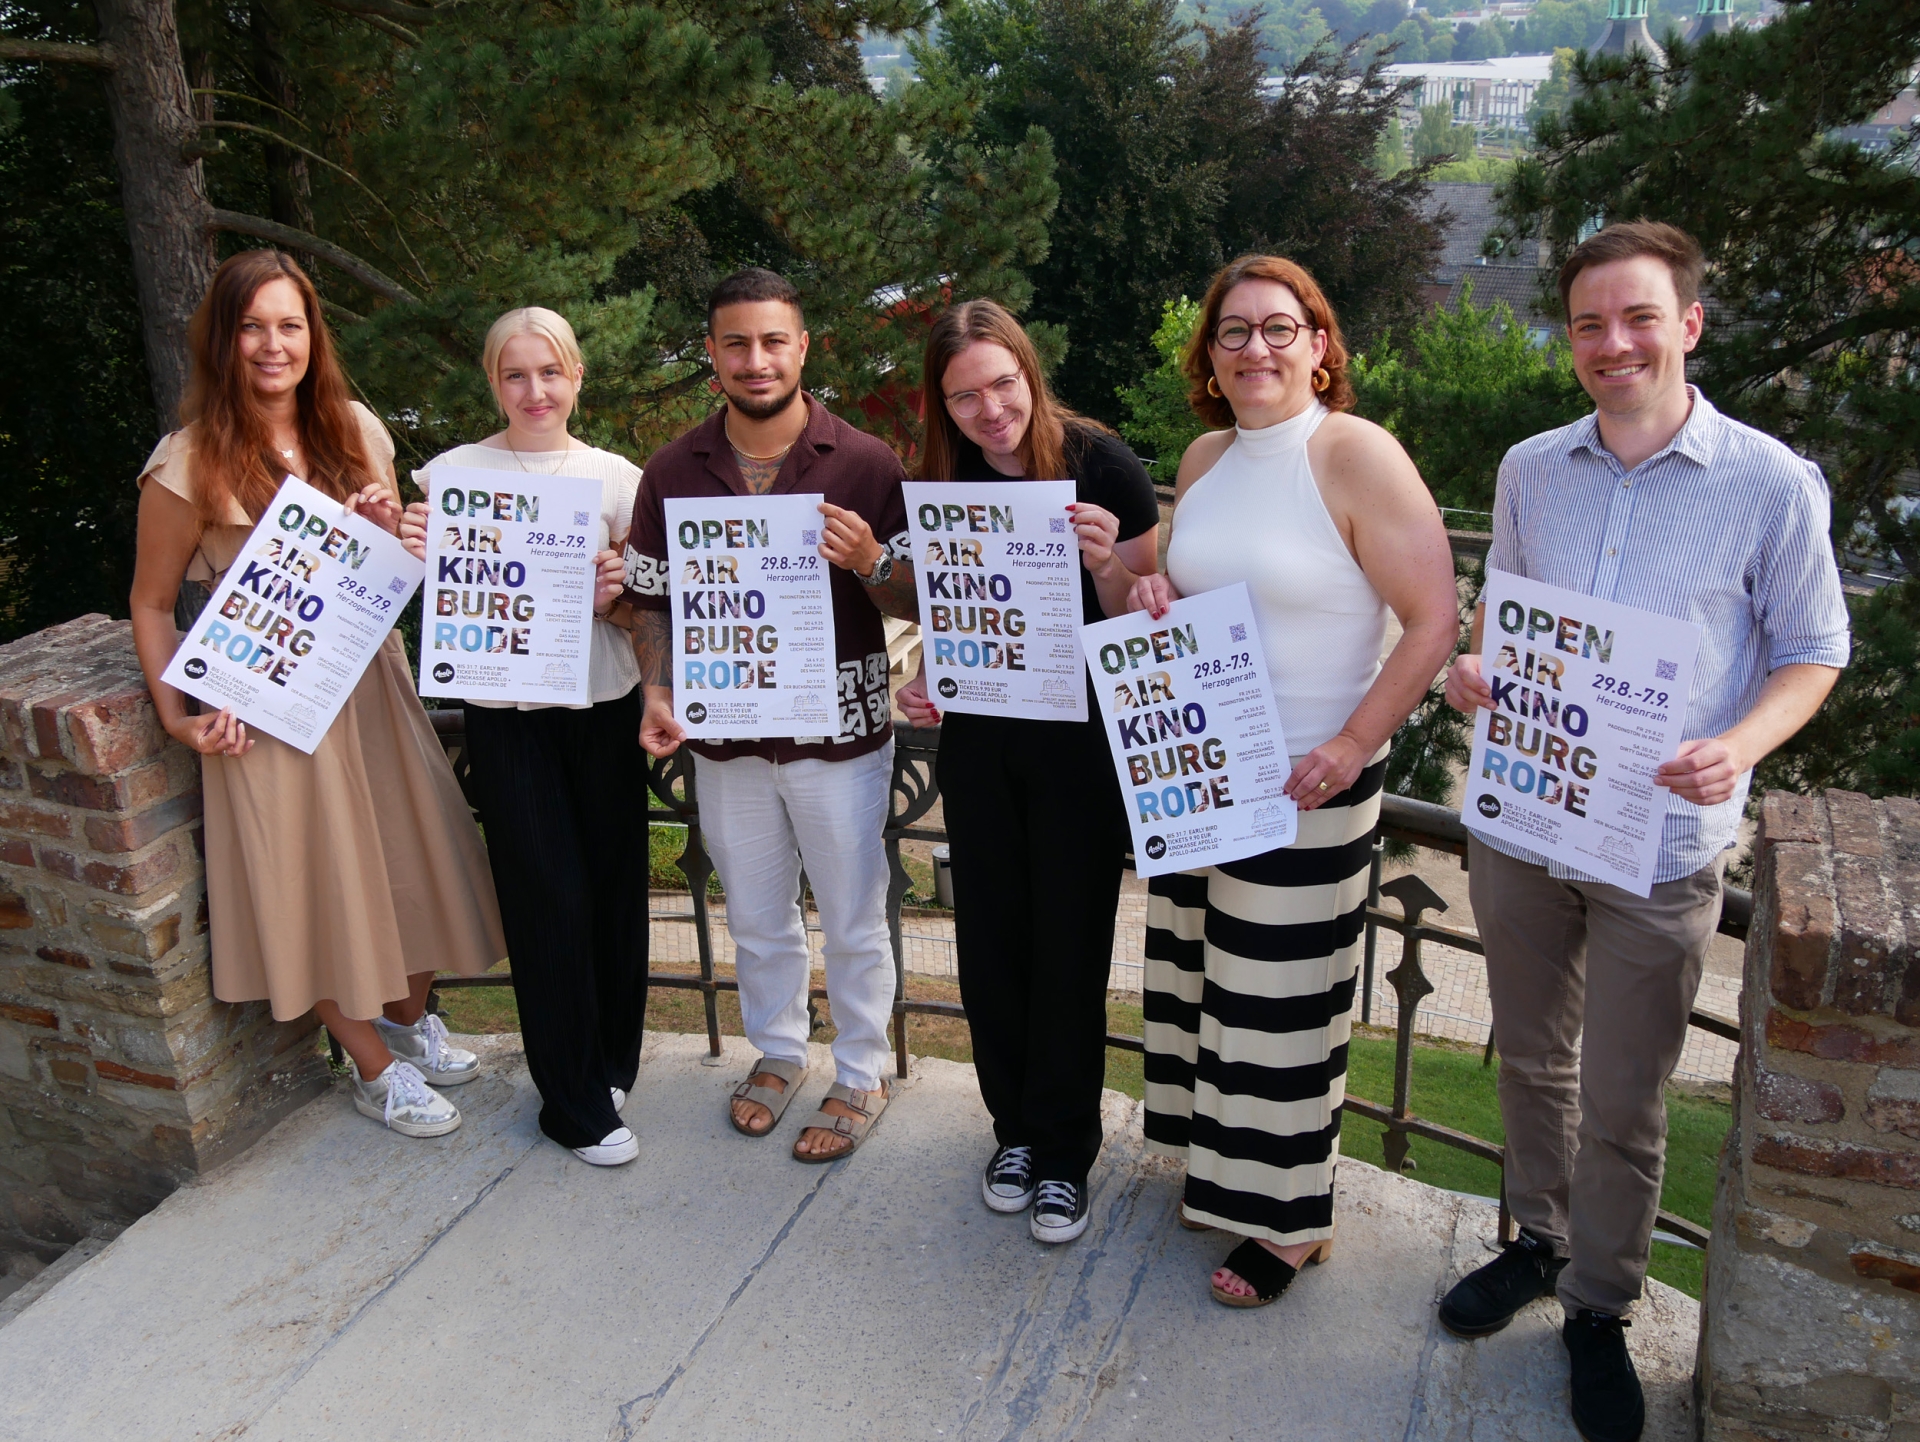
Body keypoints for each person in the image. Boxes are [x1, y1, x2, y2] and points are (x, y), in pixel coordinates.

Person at [1436, 222, 1848, 1442]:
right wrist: (1475, 671)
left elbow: (1813, 647)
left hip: (1663, 841)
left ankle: (1601, 1307)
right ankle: (1538, 1239)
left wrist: (1747, 742)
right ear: (1570, 340)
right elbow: (1505, 620)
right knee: (1528, 1055)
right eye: (1588, 324)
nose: (1614, 343)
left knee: (1625, 1090)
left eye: (1638, 318)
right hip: (1528, 817)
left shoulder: (1770, 482)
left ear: (1689, 326)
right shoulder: (1531, 468)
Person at [1128, 255, 1458, 1307]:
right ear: (1209, 359)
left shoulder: (1356, 454)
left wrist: (1356, 742)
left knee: (1280, 1004)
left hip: (1307, 783)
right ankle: (1221, 1172)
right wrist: (1152, 588)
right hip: (1201, 770)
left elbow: (1434, 619)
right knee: (1204, 982)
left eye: (1280, 327)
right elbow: (1194, 586)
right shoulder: (1208, 450)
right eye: (1232, 331)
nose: (1256, 348)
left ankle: (1288, 1220)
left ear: (1322, 345)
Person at [128, 250, 506, 1139]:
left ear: (312, 335)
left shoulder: (357, 429)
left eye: (289, 325)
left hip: (370, 685)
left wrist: (394, 533)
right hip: (265, 708)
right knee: (312, 885)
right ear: (222, 340)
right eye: (252, 326)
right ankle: (375, 1071)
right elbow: (149, 603)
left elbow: (403, 567)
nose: (272, 345)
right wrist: (176, 714)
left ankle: (409, 1025)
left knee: (414, 857)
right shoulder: (186, 464)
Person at [624, 267, 916, 1162]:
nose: (757, 360)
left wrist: (869, 558)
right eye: (737, 343)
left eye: (773, 340)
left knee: (854, 914)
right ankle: (780, 1051)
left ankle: (861, 1070)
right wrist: (657, 688)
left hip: (843, 737)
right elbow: (649, 600)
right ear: (711, 353)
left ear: (803, 346)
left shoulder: (867, 462)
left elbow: (923, 595)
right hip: (728, 735)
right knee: (755, 912)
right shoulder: (674, 468)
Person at [894, 300, 1160, 1243]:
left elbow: (1145, 614)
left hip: (1081, 746)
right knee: (992, 944)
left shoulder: (1100, 461)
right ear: (943, 404)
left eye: (1002, 385)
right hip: (980, 742)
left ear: (1029, 374)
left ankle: (1062, 1151)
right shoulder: (939, 477)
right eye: (965, 396)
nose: (990, 410)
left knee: (1070, 946)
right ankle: (1011, 1130)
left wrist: (1105, 570)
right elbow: (951, 609)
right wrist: (928, 671)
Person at [397, 307, 647, 1167]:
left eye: (551, 371)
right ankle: (570, 1106)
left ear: (578, 377)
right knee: (547, 899)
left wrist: (620, 587)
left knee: (615, 892)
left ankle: (612, 1061)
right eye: (515, 373)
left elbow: (648, 610)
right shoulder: (452, 477)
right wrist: (407, 543)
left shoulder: (619, 479)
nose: (534, 390)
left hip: (604, 705)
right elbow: (417, 588)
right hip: (506, 720)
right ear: (493, 382)